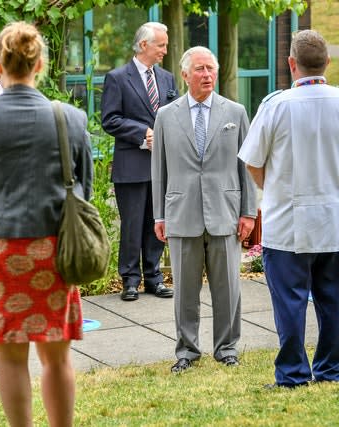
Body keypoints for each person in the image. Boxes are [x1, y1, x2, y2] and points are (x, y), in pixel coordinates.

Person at [0, 21, 92, 427]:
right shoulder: (70, 118)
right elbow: (84, 187)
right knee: (57, 355)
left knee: (10, 356)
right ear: (40, 65)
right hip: (52, 248)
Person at [238, 29, 339, 388]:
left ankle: (294, 373)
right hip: (335, 221)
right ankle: (330, 369)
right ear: (326, 62)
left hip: (288, 223)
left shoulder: (276, 105)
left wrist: (273, 186)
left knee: (290, 303)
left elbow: (251, 161)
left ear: (291, 63)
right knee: (334, 300)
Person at [151, 46, 257, 373]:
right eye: (199, 69)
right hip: (181, 213)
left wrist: (248, 211)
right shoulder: (166, 116)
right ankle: (186, 351)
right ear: (185, 75)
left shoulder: (235, 112)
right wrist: (159, 214)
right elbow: (160, 169)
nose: (207, 75)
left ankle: (227, 348)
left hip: (225, 211)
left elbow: (247, 166)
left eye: (210, 68)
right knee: (184, 291)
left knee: (228, 288)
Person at [101, 22, 177, 302]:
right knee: (132, 224)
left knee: (157, 222)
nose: (165, 51)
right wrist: (141, 133)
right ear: (144, 45)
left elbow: (175, 112)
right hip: (131, 164)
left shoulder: (168, 79)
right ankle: (130, 280)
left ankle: (154, 278)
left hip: (161, 166)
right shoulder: (118, 78)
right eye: (161, 45)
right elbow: (110, 119)